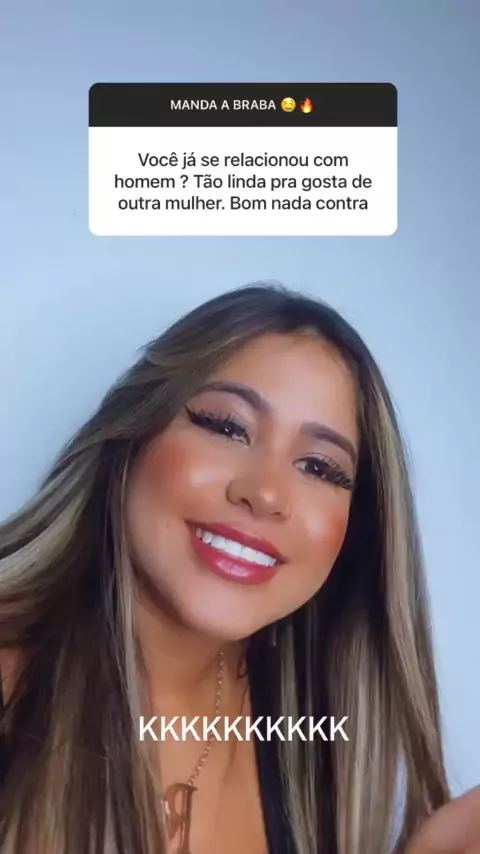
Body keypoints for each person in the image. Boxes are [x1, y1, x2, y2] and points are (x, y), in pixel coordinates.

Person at [0, 283, 478, 854]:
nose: (265, 493)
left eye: (319, 467)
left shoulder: (310, 732)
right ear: (133, 435)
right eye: (227, 427)